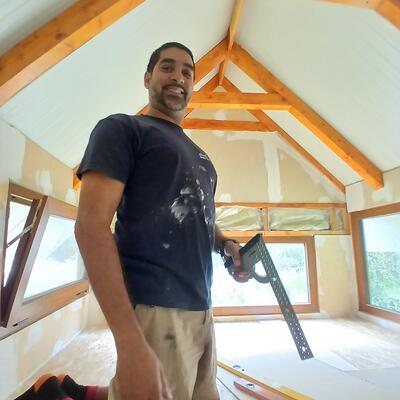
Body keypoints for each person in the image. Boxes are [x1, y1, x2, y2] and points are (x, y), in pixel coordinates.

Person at [74, 42, 250, 400]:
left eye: (187, 72)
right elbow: (90, 227)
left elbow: (197, 218)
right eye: (167, 67)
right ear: (147, 78)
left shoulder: (202, 159)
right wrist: (129, 342)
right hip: (156, 308)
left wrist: (225, 244)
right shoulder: (123, 129)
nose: (178, 77)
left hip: (202, 310)